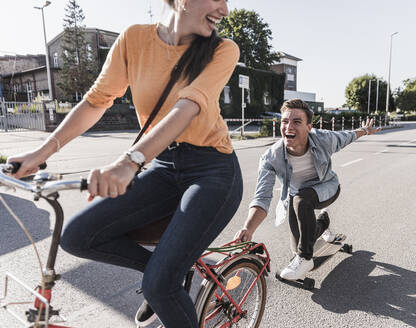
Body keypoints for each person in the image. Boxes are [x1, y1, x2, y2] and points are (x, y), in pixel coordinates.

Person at [7, 1, 241, 327]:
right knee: (77, 236)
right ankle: (174, 272)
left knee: (159, 287)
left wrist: (130, 162)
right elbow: (95, 100)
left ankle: (165, 279)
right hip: (163, 165)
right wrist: (39, 155)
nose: (225, 10)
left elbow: (187, 107)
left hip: (212, 170)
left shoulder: (224, 49)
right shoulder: (134, 39)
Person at [235, 99, 381, 281]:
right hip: (298, 195)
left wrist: (365, 130)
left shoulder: (323, 139)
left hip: (327, 188)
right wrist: (248, 229)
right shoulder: (271, 158)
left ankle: (305, 259)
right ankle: (323, 223)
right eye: (285, 121)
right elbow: (262, 197)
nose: (289, 127)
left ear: (308, 127)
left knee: (301, 202)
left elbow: (348, 136)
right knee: (300, 242)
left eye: (297, 122)